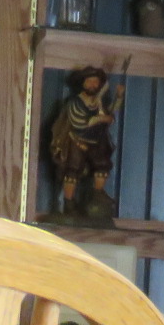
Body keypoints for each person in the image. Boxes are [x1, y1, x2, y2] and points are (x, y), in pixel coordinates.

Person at [48, 66, 121, 223]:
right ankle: (69, 203)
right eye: (90, 82)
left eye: (96, 82)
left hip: (97, 141)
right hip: (77, 141)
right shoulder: (75, 102)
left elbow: (110, 114)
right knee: (72, 171)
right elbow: (79, 122)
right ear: (83, 83)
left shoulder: (98, 102)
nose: (93, 85)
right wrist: (100, 119)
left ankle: (97, 194)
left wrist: (119, 97)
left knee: (102, 166)